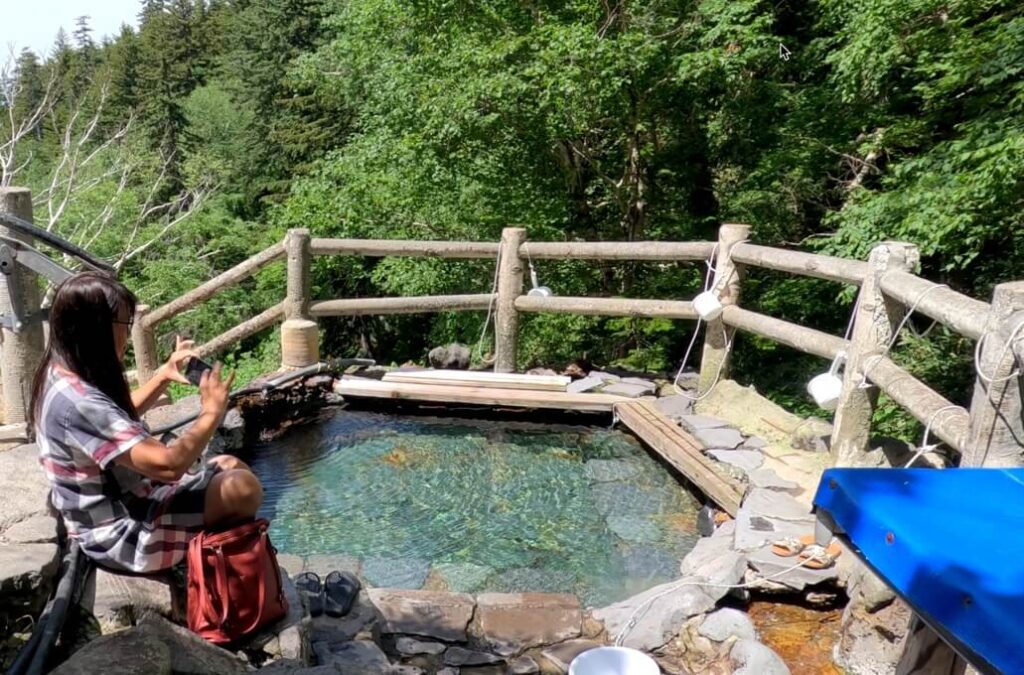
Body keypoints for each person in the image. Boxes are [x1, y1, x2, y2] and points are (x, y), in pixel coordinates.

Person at [29, 272, 264, 574]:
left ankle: (228, 565)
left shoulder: (62, 372)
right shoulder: (79, 404)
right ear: (95, 328)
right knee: (242, 489)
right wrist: (212, 412)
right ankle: (223, 575)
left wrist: (163, 375)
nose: (126, 336)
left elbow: (115, 420)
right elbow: (168, 466)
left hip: (128, 501)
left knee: (231, 465)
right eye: (124, 325)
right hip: (119, 533)